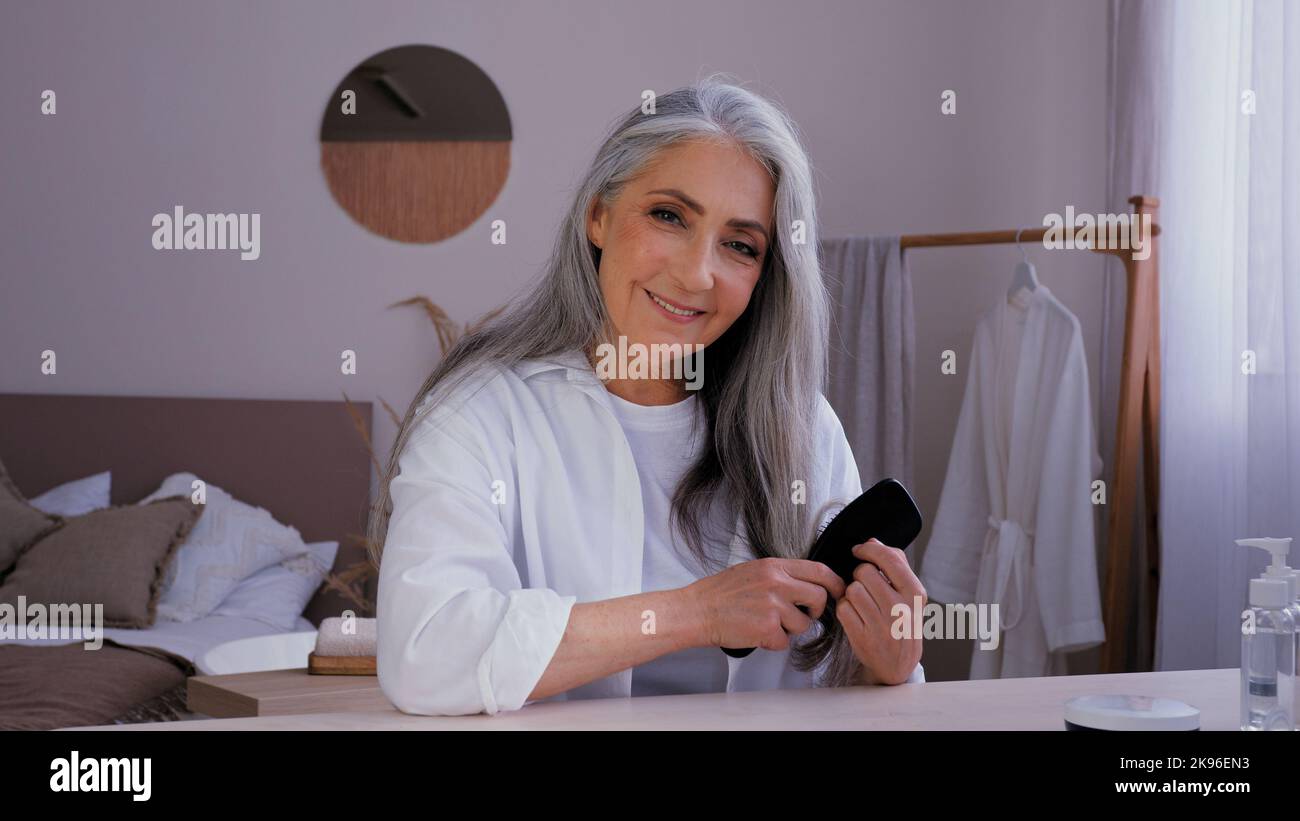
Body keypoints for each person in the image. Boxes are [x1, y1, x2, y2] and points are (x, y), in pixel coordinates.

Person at [370, 74, 925, 716]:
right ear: (598, 215)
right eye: (669, 216)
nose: (696, 273)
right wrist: (695, 612)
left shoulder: (801, 426)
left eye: (739, 246)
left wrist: (889, 666)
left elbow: (837, 692)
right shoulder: (479, 414)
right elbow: (425, 656)